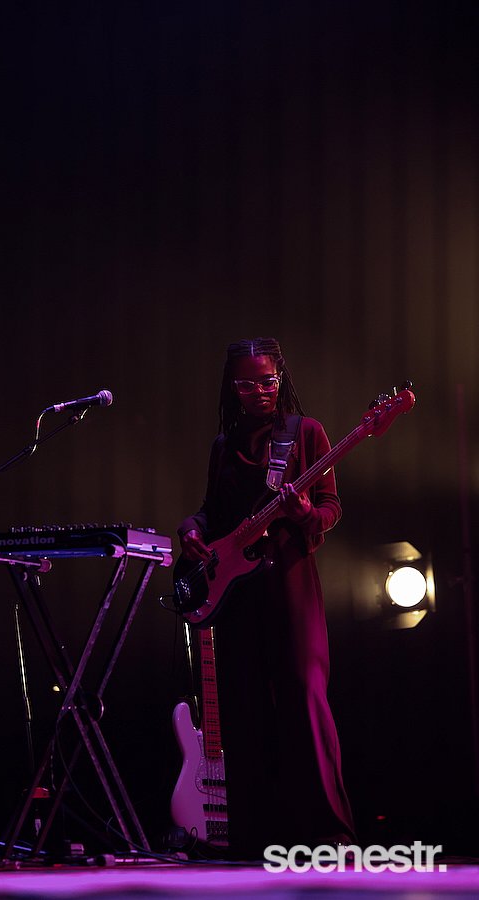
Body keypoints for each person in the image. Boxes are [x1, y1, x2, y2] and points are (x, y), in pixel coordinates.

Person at [177, 337, 355, 860]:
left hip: (291, 581)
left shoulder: (306, 433)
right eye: (248, 384)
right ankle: (254, 839)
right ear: (232, 388)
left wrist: (304, 513)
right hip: (237, 590)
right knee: (244, 707)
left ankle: (330, 834)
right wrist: (191, 529)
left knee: (304, 696)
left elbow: (330, 508)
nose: (261, 391)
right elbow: (212, 511)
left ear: (282, 379)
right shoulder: (223, 444)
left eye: (269, 381)